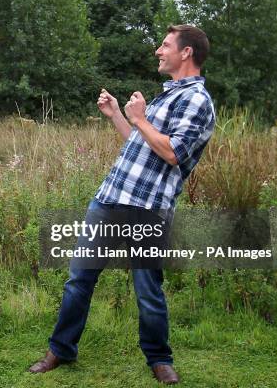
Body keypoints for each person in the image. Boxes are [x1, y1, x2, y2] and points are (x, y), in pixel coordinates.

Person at [28, 25, 215, 384]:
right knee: (78, 280)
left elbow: (173, 153)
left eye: (165, 45)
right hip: (110, 199)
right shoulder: (166, 96)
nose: (158, 51)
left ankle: (159, 359)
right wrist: (117, 115)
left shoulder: (196, 101)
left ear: (187, 53)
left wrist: (140, 118)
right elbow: (143, 145)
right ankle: (60, 350)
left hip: (148, 207)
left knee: (147, 289)